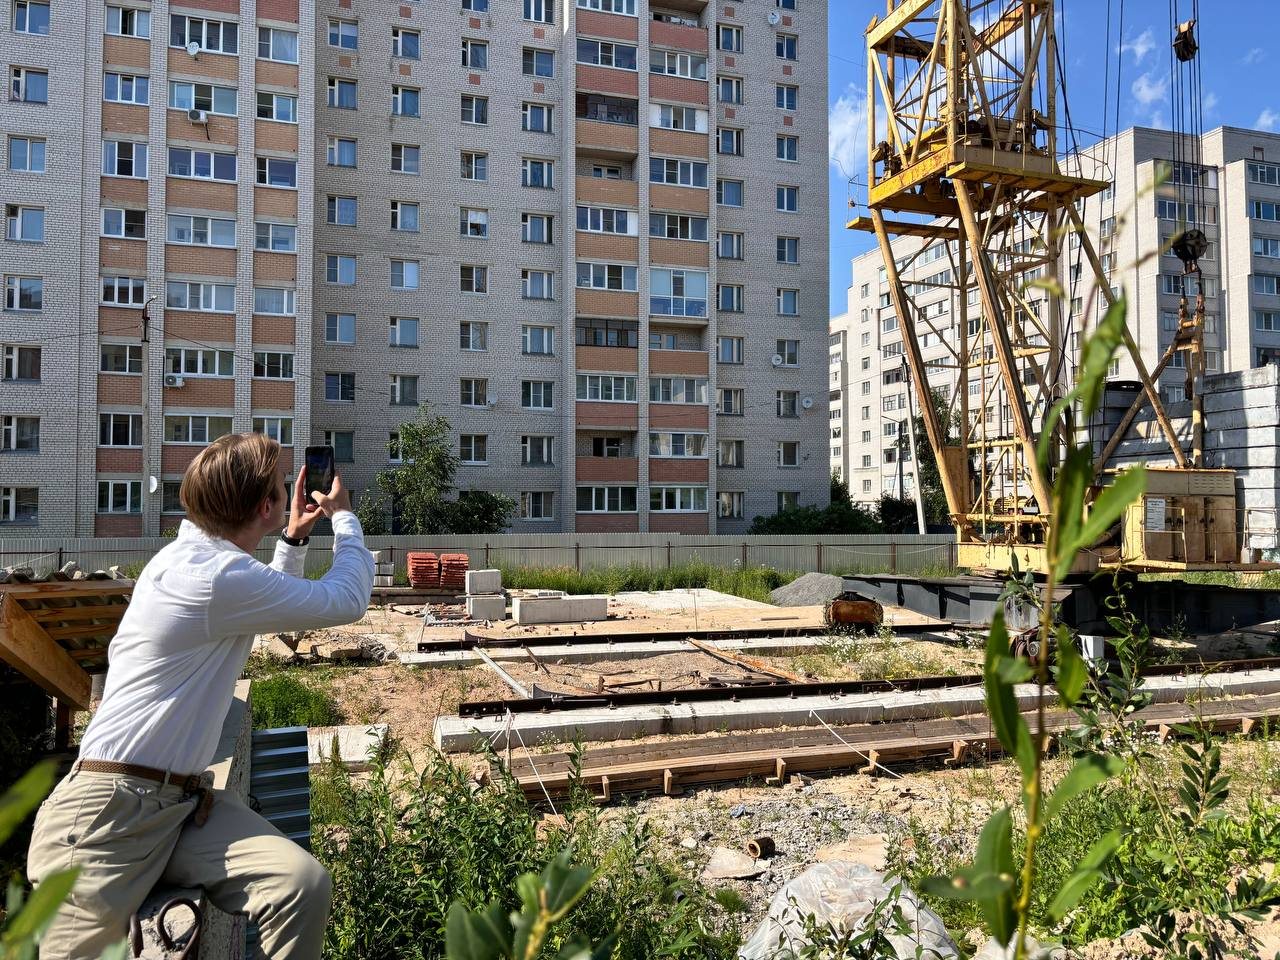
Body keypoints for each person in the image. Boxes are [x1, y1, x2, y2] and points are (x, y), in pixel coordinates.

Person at [27, 433, 375, 959]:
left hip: (182, 806)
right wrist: (345, 519)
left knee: (300, 884)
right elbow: (346, 599)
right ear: (265, 507)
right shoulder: (212, 575)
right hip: (109, 816)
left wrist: (294, 540)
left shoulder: (199, 562)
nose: (288, 494)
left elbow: (269, 603)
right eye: (282, 489)